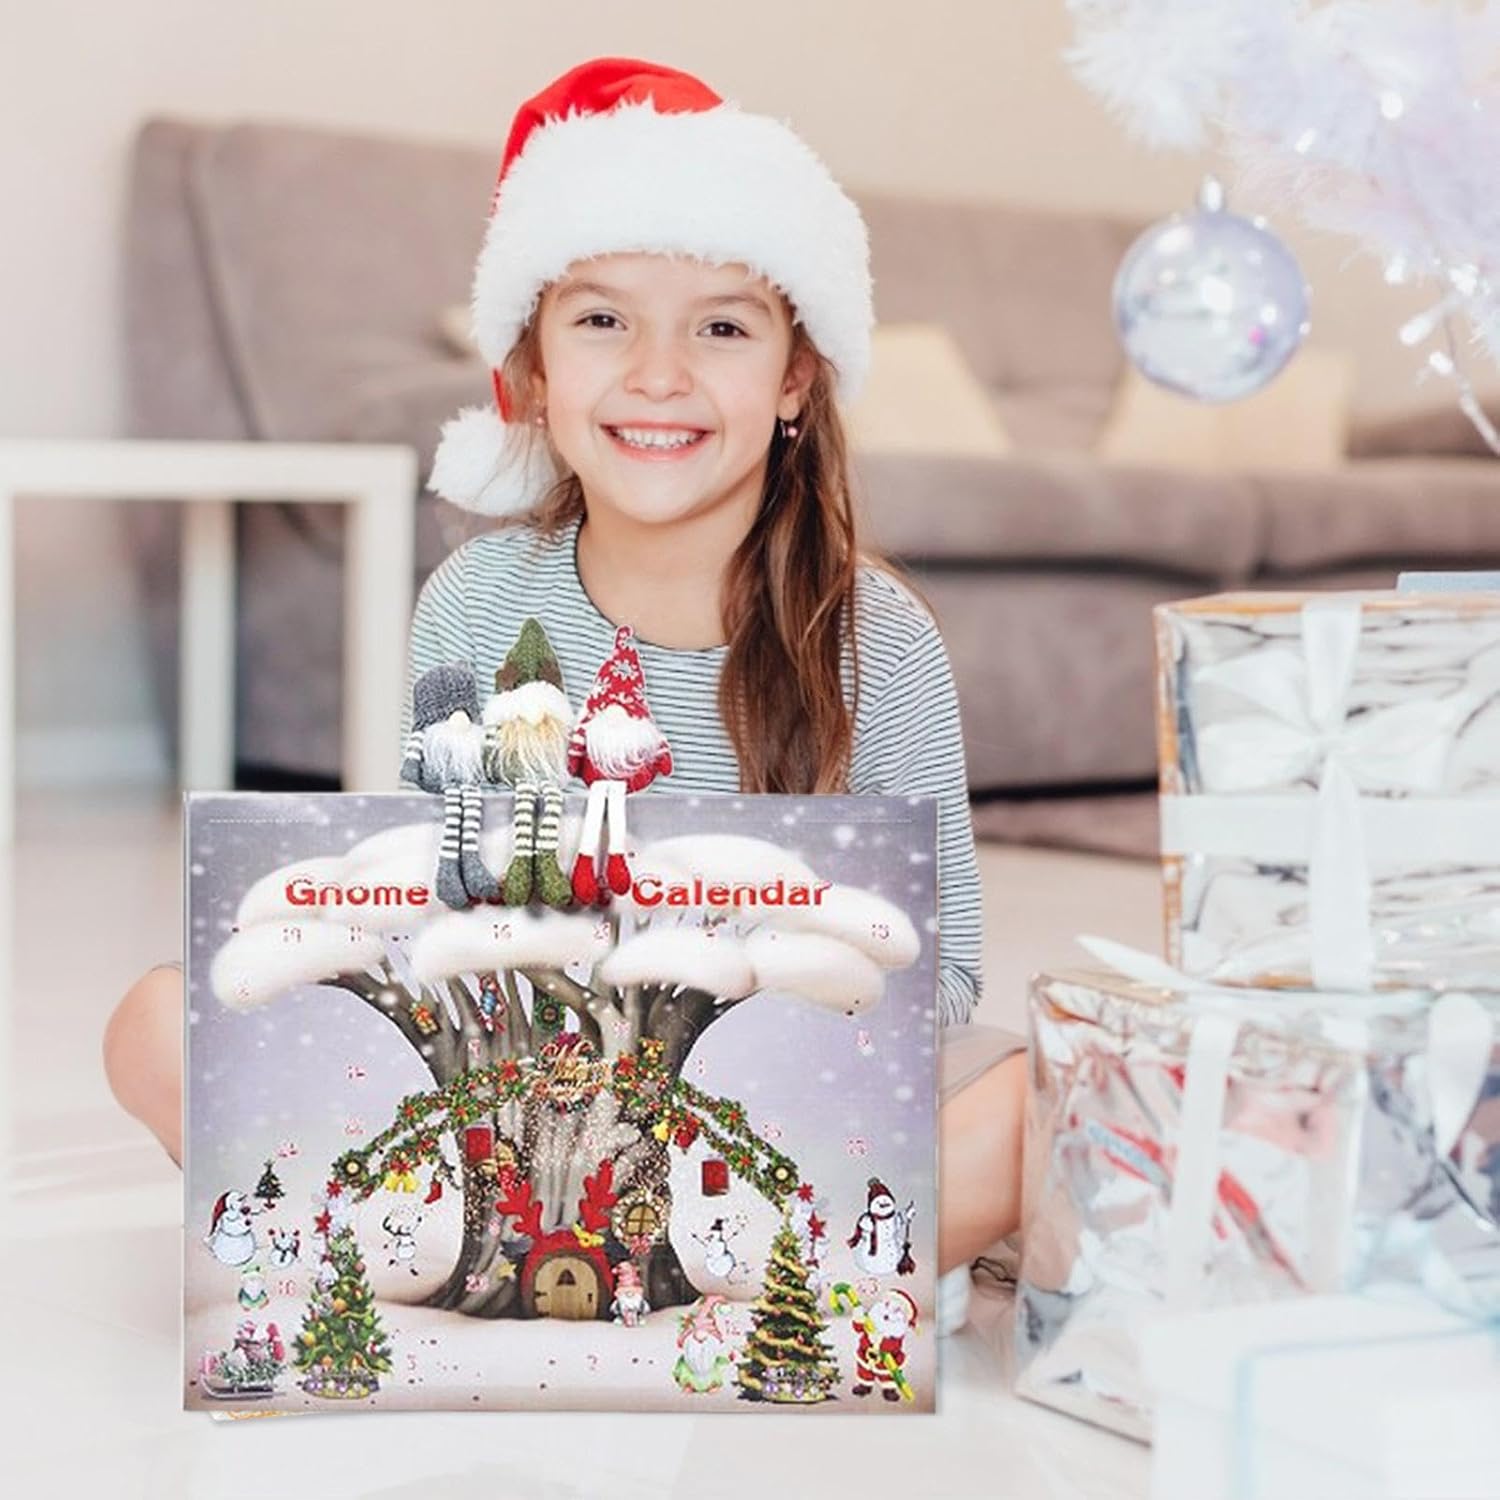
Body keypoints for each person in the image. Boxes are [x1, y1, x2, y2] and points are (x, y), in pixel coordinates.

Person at [103, 56, 1026, 1303]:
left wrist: (768, 999)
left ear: (795, 378)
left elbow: (946, 975)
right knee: (154, 1020)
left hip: (773, 1102)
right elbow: (417, 908)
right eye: (602, 321)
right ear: (532, 372)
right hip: (504, 1102)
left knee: (1042, 1097)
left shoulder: (881, 640)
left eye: (722, 326)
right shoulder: (473, 604)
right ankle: (507, 1255)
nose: (659, 374)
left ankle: (724, 1267)